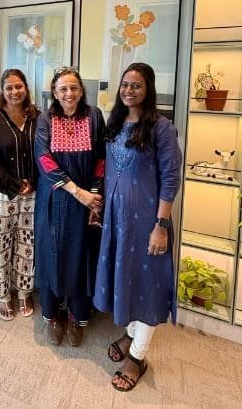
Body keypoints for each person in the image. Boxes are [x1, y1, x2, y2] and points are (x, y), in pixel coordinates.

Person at [93, 63, 182, 391]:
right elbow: (108, 169)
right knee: (126, 279)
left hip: (147, 222)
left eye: (137, 86)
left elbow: (171, 178)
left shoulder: (161, 128)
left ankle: (138, 356)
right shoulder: (115, 123)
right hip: (117, 221)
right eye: (125, 84)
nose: (129, 90)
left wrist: (161, 225)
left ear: (149, 90)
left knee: (148, 285)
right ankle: (131, 335)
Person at [34, 67, 105, 347]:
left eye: (74, 87)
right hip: (55, 197)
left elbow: (101, 158)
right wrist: (77, 192)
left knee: (81, 256)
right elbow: (43, 159)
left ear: (81, 90)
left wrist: (94, 195)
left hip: (87, 199)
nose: (69, 93)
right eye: (63, 88)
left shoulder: (95, 116)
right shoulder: (45, 119)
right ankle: (53, 315)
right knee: (52, 253)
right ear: (54, 92)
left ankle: (77, 315)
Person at [0, 68, 39, 321]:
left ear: (26, 88)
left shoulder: (37, 117)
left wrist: (32, 181)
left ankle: (24, 291)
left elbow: (45, 153)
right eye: (9, 88)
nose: (15, 92)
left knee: (27, 245)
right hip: (2, 193)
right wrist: (14, 184)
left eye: (19, 86)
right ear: (2, 92)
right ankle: (3, 294)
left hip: (33, 192)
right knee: (0, 243)